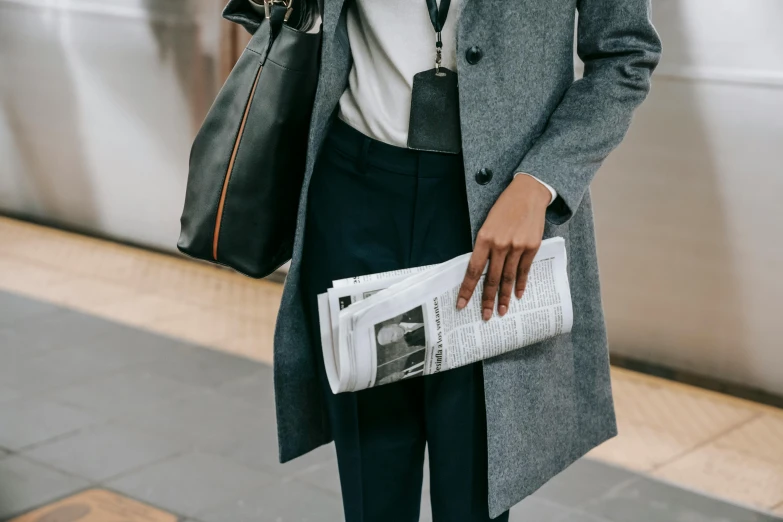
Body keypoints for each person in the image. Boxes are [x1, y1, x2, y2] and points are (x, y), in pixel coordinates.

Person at [231, 0, 661, 520]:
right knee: (373, 490)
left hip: (495, 218)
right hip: (355, 198)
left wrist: (540, 182)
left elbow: (625, 55)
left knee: (473, 495)